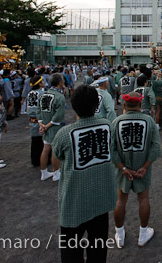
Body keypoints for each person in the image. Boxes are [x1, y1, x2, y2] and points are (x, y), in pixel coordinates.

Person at [51, 85, 117, 263]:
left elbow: (56, 158)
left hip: (74, 200)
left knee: (71, 250)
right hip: (101, 198)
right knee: (98, 245)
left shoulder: (64, 134)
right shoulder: (107, 126)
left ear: (73, 105)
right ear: (97, 105)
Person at [111, 92, 161, 248]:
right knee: (144, 199)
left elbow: (111, 150)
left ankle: (120, 235)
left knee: (121, 201)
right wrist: (145, 167)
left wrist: (123, 168)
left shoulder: (116, 122)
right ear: (140, 105)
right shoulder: (149, 122)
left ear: (124, 106)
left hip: (122, 169)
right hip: (142, 169)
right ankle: (143, 234)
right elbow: (156, 147)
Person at [37, 73, 66, 181]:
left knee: (46, 149)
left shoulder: (43, 95)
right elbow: (59, 115)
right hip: (54, 126)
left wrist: (42, 125)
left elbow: (38, 111)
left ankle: (43, 172)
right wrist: (48, 125)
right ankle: (56, 172)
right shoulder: (59, 97)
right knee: (55, 150)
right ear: (60, 82)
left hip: (44, 124)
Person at [26, 75, 45, 167]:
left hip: (31, 119)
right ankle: (42, 160)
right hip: (40, 118)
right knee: (42, 142)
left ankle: (35, 160)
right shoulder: (42, 94)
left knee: (34, 141)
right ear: (40, 83)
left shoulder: (30, 93)